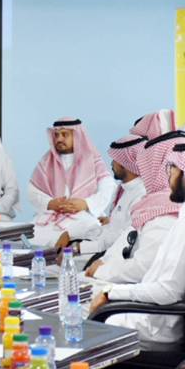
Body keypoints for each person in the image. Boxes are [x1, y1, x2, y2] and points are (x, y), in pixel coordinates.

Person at [90, 142, 185, 343]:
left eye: (173, 168)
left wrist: (111, 293)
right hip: (150, 312)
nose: (168, 174)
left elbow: (168, 290)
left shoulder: (176, 223)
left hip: (155, 325)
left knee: (75, 317)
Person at [85, 131, 185, 283]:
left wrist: (102, 270)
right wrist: (102, 264)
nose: (143, 172)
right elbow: (124, 240)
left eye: (147, 166)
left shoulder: (164, 211)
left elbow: (145, 268)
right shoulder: (151, 205)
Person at [54, 135, 146, 256]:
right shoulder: (123, 189)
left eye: (115, 160)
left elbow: (122, 238)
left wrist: (79, 248)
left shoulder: (141, 195)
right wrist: (70, 234)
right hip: (104, 248)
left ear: (124, 164)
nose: (112, 164)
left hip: (118, 257)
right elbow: (110, 229)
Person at [29, 118, 115, 247]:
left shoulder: (93, 160)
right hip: (52, 216)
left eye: (65, 135)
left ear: (77, 136)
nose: (59, 139)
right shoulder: (47, 161)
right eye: (56, 135)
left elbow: (108, 188)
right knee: (32, 236)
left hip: (83, 215)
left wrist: (86, 203)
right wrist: (49, 203)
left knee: (88, 231)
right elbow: (33, 191)